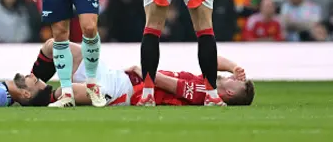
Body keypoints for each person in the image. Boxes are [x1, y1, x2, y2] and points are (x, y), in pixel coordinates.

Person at [30, 39, 254, 107]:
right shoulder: (208, 84)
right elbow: (210, 59)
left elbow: (167, 84)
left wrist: (143, 70)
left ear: (231, 94)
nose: (233, 78)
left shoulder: (202, 93)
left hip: (125, 91)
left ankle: (34, 98)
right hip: (118, 77)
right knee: (55, 46)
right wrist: (235, 66)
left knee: (70, 93)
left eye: (236, 81)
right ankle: (31, 83)